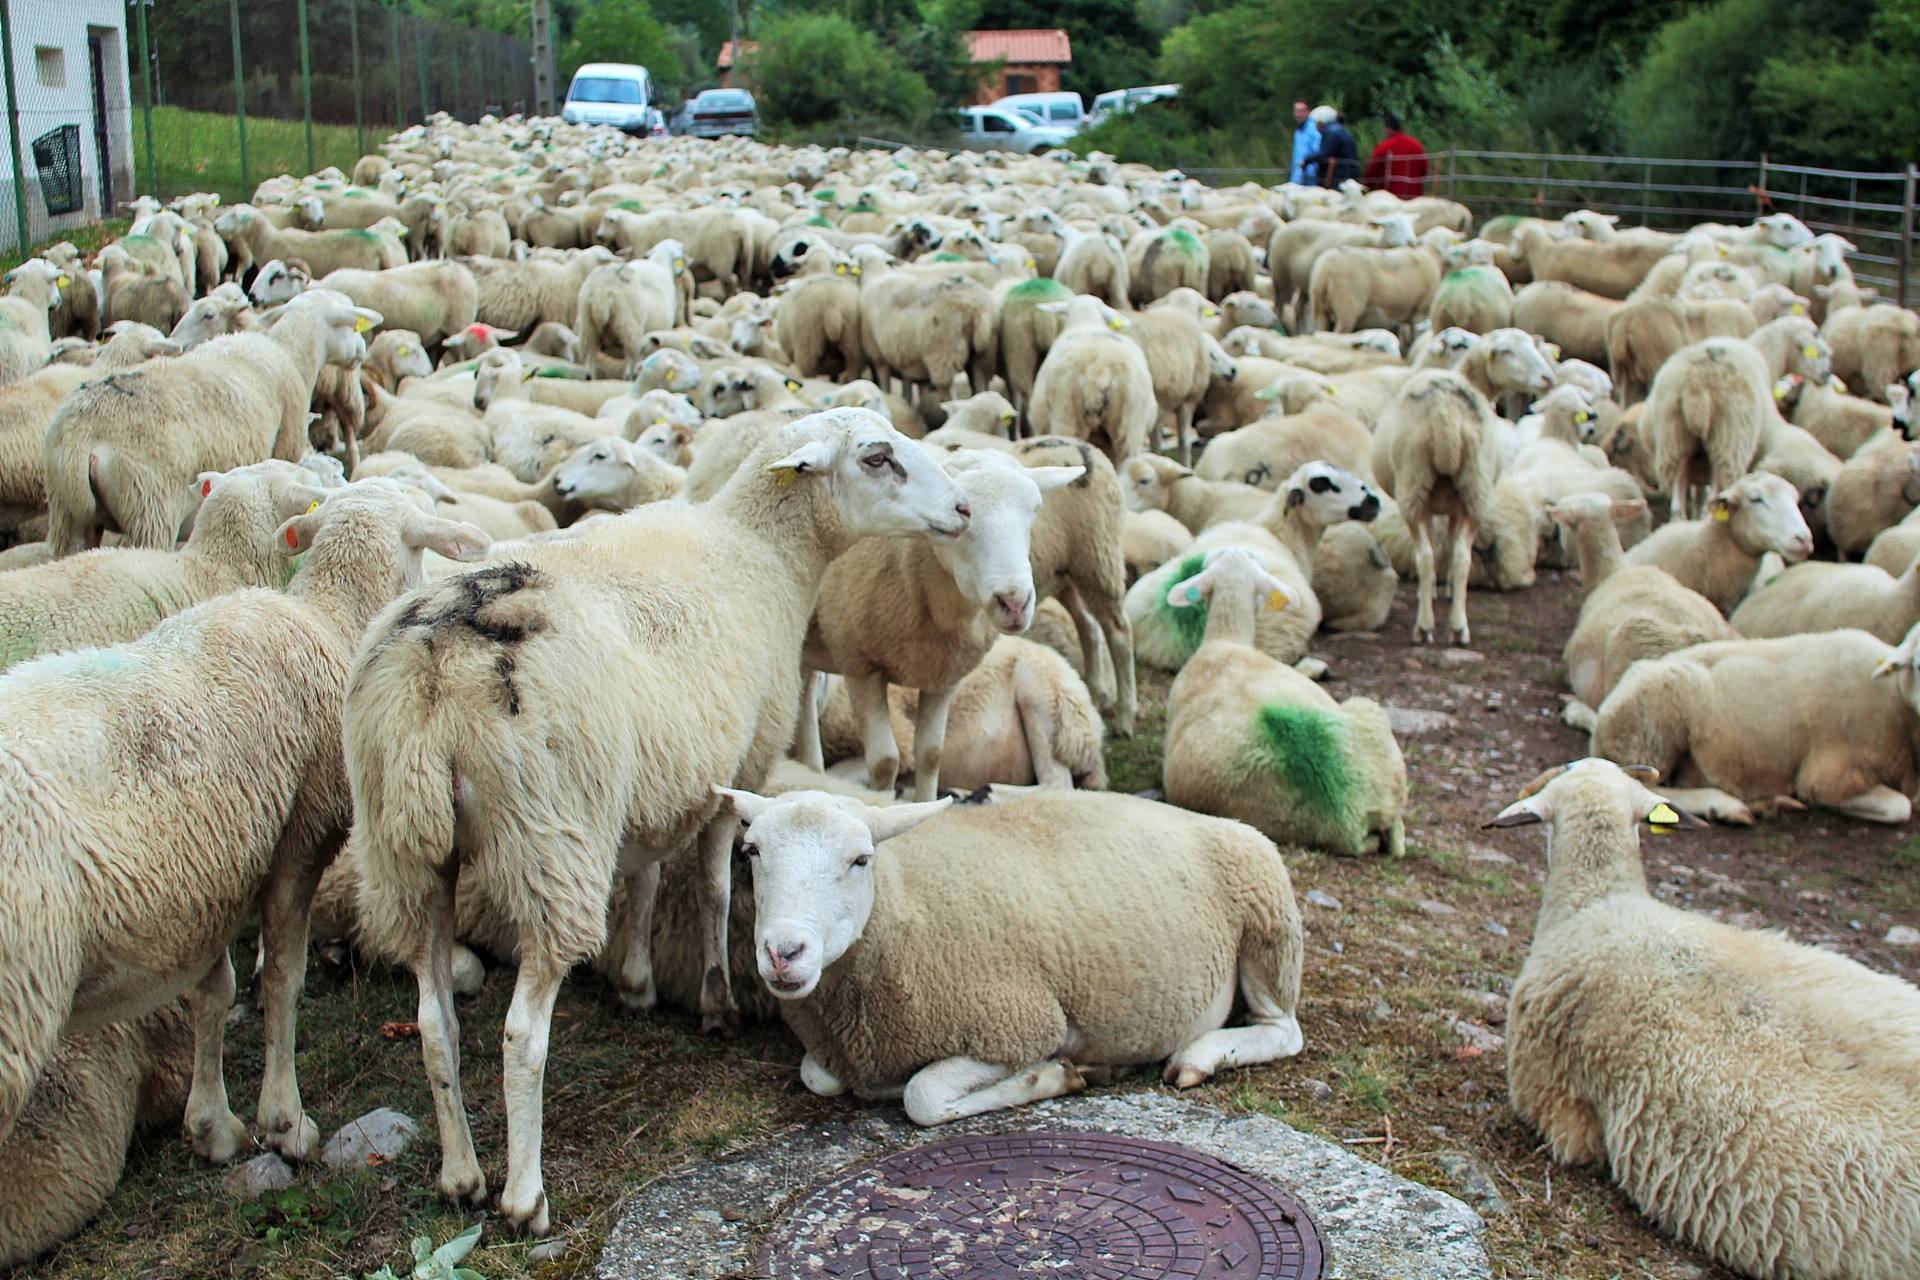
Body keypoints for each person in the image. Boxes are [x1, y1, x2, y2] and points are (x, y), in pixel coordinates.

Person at [1364, 112, 1429, 197]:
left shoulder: (1384, 147)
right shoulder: (1417, 145)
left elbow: (1372, 173)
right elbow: (1424, 169)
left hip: (1391, 199)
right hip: (1414, 197)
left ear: (1387, 128)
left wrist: (1367, 190)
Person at [1305, 105, 1360, 188]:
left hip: (1339, 178)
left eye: (1317, 123)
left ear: (1322, 122)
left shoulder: (1331, 133)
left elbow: (1324, 154)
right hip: (1348, 174)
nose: (1316, 127)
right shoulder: (1340, 130)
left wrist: (1307, 160)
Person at [1289, 100, 1320, 187]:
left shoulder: (1313, 128)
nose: (1298, 114)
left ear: (1308, 112)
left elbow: (1317, 151)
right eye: (1296, 111)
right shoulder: (1298, 130)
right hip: (1297, 176)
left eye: (1301, 111)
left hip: (1309, 177)